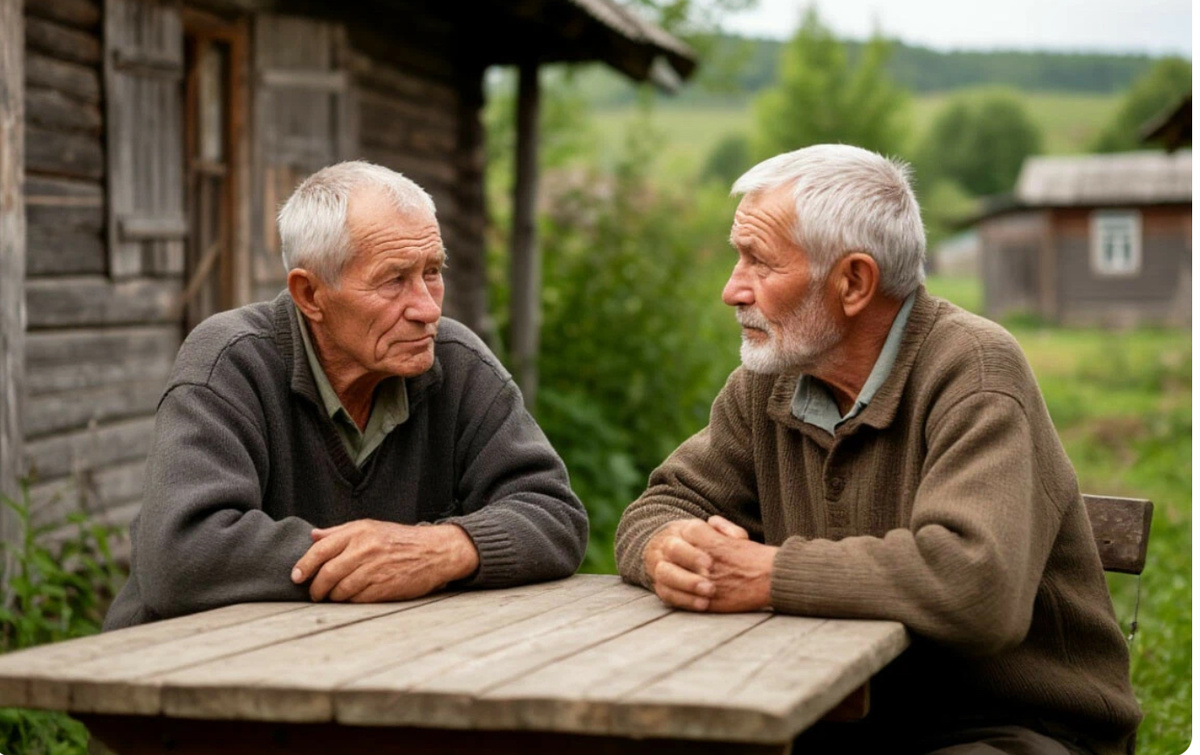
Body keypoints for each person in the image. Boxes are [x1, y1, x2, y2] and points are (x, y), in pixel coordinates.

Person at [614, 145, 1140, 754]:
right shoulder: (768, 383)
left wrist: (768, 574)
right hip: (832, 715)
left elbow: (977, 588)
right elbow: (662, 505)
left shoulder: (974, 370)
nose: (732, 290)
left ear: (854, 282)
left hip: (1009, 727)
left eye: (759, 263)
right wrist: (668, 551)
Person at [105, 161, 588, 630]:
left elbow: (555, 516)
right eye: (394, 280)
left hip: (360, 665)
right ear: (310, 295)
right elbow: (182, 554)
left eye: (433, 271)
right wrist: (370, 561)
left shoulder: (456, 362)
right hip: (183, 677)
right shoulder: (231, 361)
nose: (425, 308)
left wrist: (442, 548)